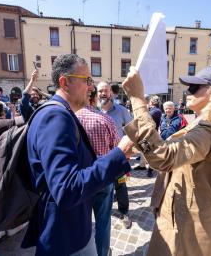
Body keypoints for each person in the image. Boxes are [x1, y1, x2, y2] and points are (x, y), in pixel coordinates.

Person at [121, 66, 211, 255]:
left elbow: (163, 156)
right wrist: (140, 145)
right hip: (198, 221)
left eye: (195, 87)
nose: (187, 91)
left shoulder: (208, 131)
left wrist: (138, 100)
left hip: (193, 231)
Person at [24, 54, 132, 255]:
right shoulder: (55, 116)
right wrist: (118, 154)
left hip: (69, 231)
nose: (91, 87)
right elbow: (67, 189)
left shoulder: (60, 112)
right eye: (87, 80)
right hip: (66, 238)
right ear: (64, 82)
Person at [76, 86, 120, 256]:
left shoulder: (71, 118)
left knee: (82, 219)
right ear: (94, 99)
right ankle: (102, 253)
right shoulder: (105, 120)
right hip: (103, 177)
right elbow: (116, 149)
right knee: (103, 220)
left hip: (80, 176)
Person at [97, 81, 133, 229]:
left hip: (118, 157)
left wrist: (128, 151)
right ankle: (104, 210)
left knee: (121, 186)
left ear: (111, 92)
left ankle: (124, 212)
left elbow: (132, 132)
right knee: (102, 187)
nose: (103, 93)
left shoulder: (122, 111)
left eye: (105, 90)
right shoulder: (93, 110)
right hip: (99, 158)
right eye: (100, 91)